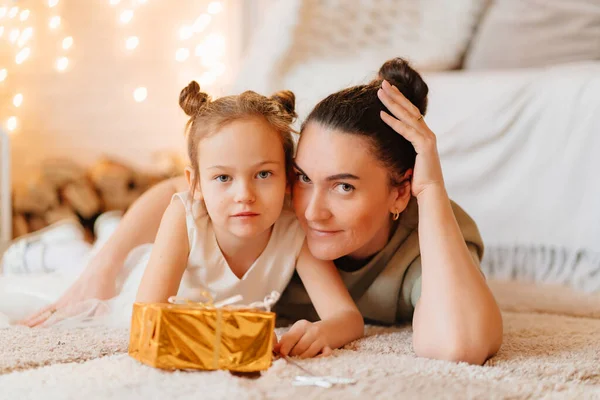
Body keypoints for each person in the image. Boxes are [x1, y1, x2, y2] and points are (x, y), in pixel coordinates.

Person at [22, 58, 503, 365]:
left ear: (401, 193)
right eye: (303, 177)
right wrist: (101, 267)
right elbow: (181, 195)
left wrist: (432, 189)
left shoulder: (429, 239)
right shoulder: (252, 210)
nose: (311, 209)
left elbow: (458, 345)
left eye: (344, 187)